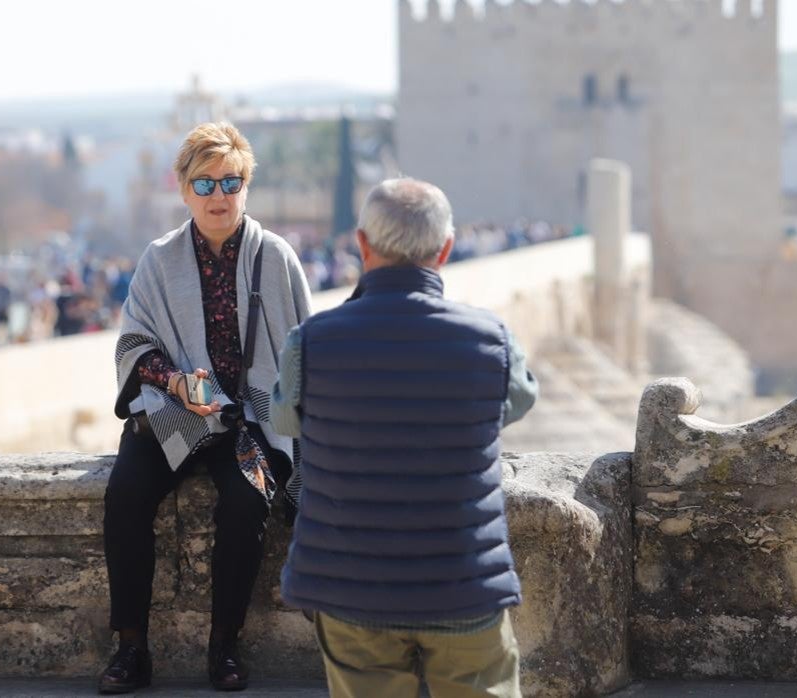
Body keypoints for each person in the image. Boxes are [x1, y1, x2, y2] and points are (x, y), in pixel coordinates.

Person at [272, 178, 539, 698]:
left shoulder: (313, 342)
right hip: (463, 584)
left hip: (350, 588)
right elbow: (518, 402)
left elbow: (286, 419)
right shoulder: (491, 340)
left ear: (362, 244)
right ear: (445, 247)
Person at [102, 121, 312, 694]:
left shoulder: (276, 258)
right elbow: (132, 344)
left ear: (246, 186)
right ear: (183, 189)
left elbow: (301, 353)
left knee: (248, 502)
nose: (218, 196)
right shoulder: (158, 259)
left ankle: (224, 647)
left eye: (230, 182)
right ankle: (130, 649)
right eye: (205, 184)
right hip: (172, 414)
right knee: (124, 495)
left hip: (247, 420)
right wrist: (174, 382)